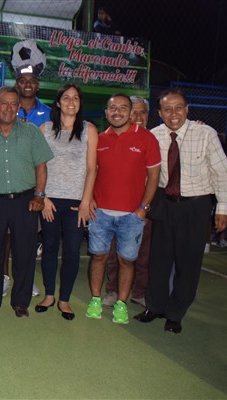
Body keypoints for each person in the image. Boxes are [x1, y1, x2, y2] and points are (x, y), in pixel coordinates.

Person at [135, 88, 227, 334]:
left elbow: (222, 172)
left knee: (188, 264)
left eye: (179, 108)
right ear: (160, 113)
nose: (174, 114)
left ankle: (175, 314)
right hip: (164, 204)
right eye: (167, 109)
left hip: (196, 206)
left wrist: (222, 207)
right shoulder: (154, 136)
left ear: (187, 110)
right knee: (158, 260)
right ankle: (154, 307)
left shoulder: (206, 134)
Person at [0, 86, 53, 318]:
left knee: (24, 252)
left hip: (25, 201)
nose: (9, 108)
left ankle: (20, 302)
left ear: (18, 108)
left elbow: (41, 165)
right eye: (4, 103)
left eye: (14, 104)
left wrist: (39, 195)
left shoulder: (31, 132)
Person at [85, 94, 160, 325]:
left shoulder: (147, 139)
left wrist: (143, 208)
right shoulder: (99, 139)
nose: (117, 112)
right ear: (106, 112)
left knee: (127, 260)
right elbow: (91, 171)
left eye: (123, 108)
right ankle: (95, 300)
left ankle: (121, 304)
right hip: (100, 214)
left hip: (131, 216)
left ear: (130, 112)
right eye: (113, 108)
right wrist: (90, 199)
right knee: (98, 257)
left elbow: (154, 177)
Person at [35, 84, 98, 320]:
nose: (71, 102)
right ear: (58, 103)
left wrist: (86, 201)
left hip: (76, 203)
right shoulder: (45, 129)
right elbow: (38, 165)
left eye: (75, 98)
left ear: (80, 104)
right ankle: (49, 295)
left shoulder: (89, 130)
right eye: (66, 98)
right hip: (50, 201)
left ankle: (64, 300)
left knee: (72, 251)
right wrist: (43, 197)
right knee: (49, 247)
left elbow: (92, 168)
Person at [2, 63, 53, 297]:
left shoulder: (49, 113)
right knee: (6, 237)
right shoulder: (6, 109)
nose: (28, 84)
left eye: (32, 80)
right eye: (23, 81)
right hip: (8, 183)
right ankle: (4, 278)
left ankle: (25, 279)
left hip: (35, 185)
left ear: (38, 85)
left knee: (28, 238)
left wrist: (43, 191)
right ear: (17, 84)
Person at [103, 96, 153, 308]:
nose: (139, 116)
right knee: (115, 254)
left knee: (143, 255)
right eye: (135, 112)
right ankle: (112, 290)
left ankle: (139, 292)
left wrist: (144, 207)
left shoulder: (153, 138)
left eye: (143, 112)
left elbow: (155, 177)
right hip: (117, 209)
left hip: (144, 208)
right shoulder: (110, 137)